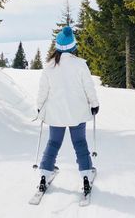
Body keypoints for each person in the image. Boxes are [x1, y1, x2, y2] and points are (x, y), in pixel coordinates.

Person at [36, 26, 99, 192]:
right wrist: (94, 104)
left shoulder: (49, 66)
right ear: (73, 46)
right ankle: (86, 174)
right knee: (79, 142)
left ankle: (45, 173)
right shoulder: (80, 65)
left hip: (56, 114)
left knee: (53, 142)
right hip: (76, 113)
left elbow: (43, 90)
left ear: (57, 46)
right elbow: (88, 87)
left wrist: (39, 107)